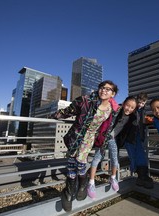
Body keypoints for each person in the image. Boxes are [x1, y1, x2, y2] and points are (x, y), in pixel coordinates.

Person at [50, 80, 119, 212]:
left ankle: (82, 184)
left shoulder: (112, 110)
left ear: (113, 94)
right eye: (102, 88)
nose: (104, 90)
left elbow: (110, 125)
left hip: (89, 138)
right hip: (75, 135)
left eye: (108, 89)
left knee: (81, 163)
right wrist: (53, 115)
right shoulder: (85, 100)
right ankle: (69, 193)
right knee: (71, 162)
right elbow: (68, 111)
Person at [87, 96, 138, 199]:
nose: (128, 108)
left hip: (113, 139)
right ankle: (91, 182)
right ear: (123, 104)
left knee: (115, 159)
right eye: (127, 105)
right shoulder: (116, 111)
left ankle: (113, 178)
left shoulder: (132, 118)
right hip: (103, 137)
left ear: (134, 109)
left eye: (132, 107)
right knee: (97, 158)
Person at [119, 92, 154, 189]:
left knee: (140, 154)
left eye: (143, 103)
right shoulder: (131, 108)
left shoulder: (142, 111)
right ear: (136, 100)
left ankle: (142, 175)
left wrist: (150, 121)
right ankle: (138, 173)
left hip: (138, 135)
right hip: (128, 136)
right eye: (139, 102)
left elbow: (142, 121)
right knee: (132, 155)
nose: (141, 104)